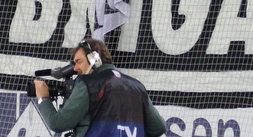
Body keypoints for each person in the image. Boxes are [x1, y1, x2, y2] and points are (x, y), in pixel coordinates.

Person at [33, 39, 166, 137]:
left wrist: (43, 98)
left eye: (78, 62)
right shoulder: (137, 87)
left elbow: (57, 123)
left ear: (94, 59)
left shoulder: (87, 83)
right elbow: (159, 127)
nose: (75, 68)